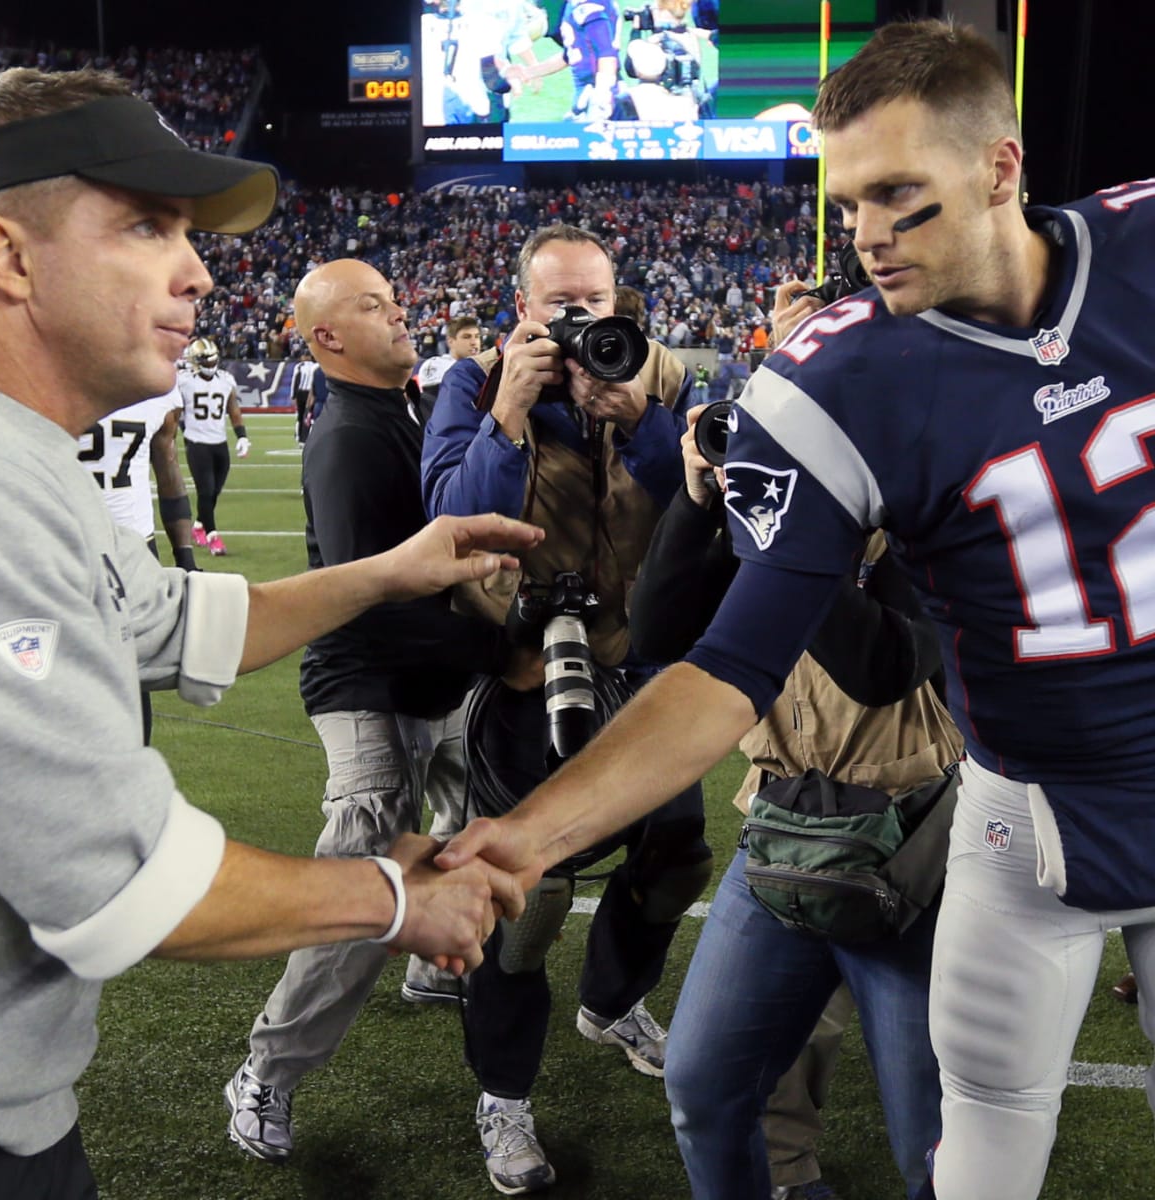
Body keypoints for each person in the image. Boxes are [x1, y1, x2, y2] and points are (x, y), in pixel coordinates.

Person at [437, 21, 1155, 1200]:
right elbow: (723, 664)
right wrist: (529, 835)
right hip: (1023, 822)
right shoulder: (838, 378)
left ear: (1001, 169)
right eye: (850, 202)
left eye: (898, 197)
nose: (866, 234)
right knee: (977, 1148)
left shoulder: (1140, 245)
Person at [0, 66, 537, 1200]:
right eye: (144, 225)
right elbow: (122, 884)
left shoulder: (17, 454)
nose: (198, 270)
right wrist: (398, 897)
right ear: (9, 255)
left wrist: (393, 569)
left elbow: (180, 621)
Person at [423, 222, 713, 1195]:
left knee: (679, 854)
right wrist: (509, 410)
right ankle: (504, 1098)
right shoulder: (472, 384)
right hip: (522, 680)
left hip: (637, 674)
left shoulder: (654, 376)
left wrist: (641, 421)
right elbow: (449, 523)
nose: (584, 319)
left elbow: (702, 512)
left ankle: (612, 999)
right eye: (561, 304)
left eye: (597, 299)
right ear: (525, 310)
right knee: (525, 902)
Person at [225, 259, 518, 1165]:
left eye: (395, 298)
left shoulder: (402, 412)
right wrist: (499, 637)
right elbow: (373, 596)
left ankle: (436, 967)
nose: (398, 314)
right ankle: (265, 1074)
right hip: (372, 687)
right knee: (361, 891)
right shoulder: (350, 437)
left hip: (434, 680)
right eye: (370, 306)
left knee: (483, 833)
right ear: (327, 338)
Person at [629, 403, 961, 1200]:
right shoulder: (766, 523)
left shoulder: (925, 508)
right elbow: (655, 630)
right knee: (702, 1087)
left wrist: (780, 536)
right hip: (778, 834)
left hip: (911, 848)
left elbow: (884, 663)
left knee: (935, 1137)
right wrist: (699, 500)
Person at [77, 384, 200, 743]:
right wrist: (185, 557)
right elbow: (169, 472)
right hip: (67, 542)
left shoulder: (155, 385)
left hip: (130, 549)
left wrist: (186, 560)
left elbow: (167, 467)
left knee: (133, 670)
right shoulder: (152, 382)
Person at [176, 334, 246, 556]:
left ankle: (198, 526)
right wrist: (181, 431)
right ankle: (213, 536)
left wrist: (242, 436)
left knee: (214, 491)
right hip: (197, 443)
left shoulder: (225, 380)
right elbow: (174, 411)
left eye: (212, 359)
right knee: (205, 491)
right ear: (195, 361)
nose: (210, 364)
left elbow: (233, 408)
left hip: (220, 443)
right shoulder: (183, 381)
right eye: (205, 360)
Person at [415, 313, 483, 419]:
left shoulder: (484, 368)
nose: (474, 342)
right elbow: (431, 405)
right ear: (451, 341)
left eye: (477, 337)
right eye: (466, 337)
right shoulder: (438, 366)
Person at [290, 351, 320, 446]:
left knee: (301, 415)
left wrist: (293, 395)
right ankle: (305, 437)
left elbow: (295, 381)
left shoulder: (299, 366)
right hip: (310, 393)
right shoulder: (315, 366)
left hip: (301, 392)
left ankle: (299, 437)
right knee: (308, 416)